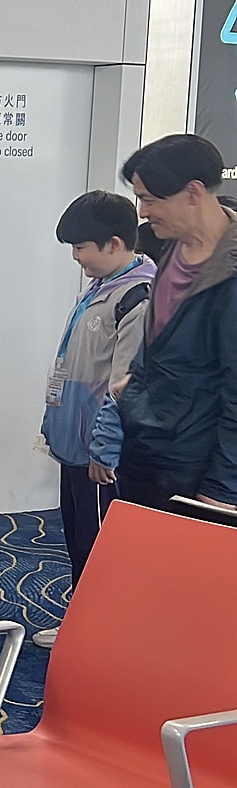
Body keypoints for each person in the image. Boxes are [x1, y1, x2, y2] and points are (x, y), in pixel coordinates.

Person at [33, 191, 154, 647]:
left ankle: (103, 636)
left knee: (102, 547)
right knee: (79, 539)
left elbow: (126, 382)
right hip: (77, 444)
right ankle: (84, 625)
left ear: (114, 243)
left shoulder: (137, 296)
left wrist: (105, 448)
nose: (76, 257)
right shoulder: (104, 286)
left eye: (81, 247)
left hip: (102, 452)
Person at [115, 134, 237, 517]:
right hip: (147, 443)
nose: (143, 211)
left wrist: (223, 488)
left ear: (193, 192)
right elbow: (162, 336)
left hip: (195, 467)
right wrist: (135, 378)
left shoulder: (229, 273)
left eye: (150, 199)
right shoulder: (172, 245)